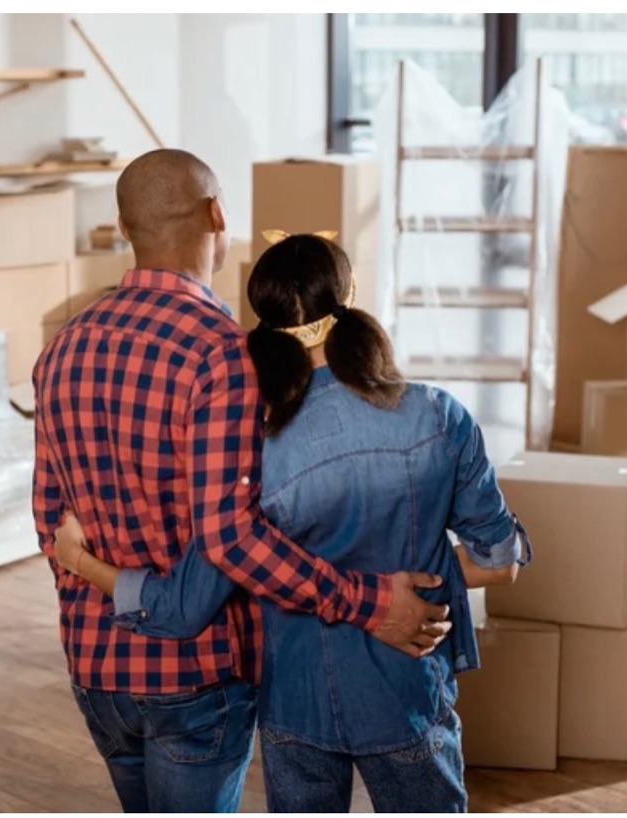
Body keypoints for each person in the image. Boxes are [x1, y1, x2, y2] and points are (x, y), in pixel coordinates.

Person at [31, 151, 453, 813]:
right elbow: (231, 539)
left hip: (96, 670)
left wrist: (95, 582)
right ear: (217, 215)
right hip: (196, 678)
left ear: (126, 227)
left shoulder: (64, 345)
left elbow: (49, 518)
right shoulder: (221, 353)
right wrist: (371, 604)